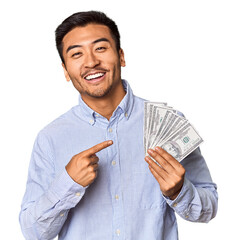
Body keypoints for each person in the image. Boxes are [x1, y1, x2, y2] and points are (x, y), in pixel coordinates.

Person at [19, 11, 218, 240]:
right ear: (65, 70)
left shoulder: (168, 121)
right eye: (76, 54)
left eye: (101, 48)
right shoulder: (50, 138)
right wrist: (68, 184)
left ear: (121, 56)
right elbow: (33, 232)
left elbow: (209, 208)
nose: (91, 62)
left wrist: (179, 191)